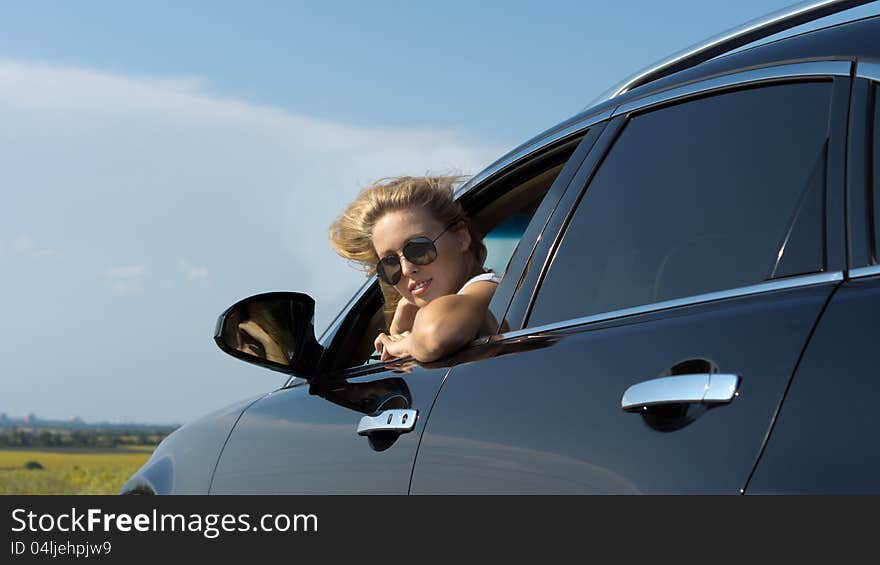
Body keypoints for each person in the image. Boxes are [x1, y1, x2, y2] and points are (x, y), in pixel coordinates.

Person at [329, 176, 501, 363]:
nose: (406, 269)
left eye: (418, 248)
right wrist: (399, 333)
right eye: (390, 263)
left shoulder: (487, 288)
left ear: (461, 237)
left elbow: (434, 336)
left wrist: (399, 344)